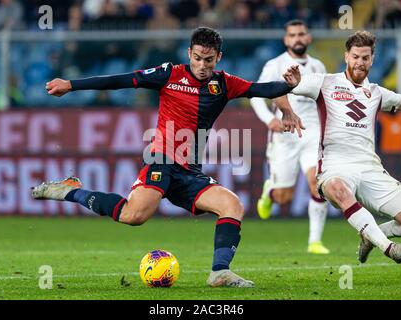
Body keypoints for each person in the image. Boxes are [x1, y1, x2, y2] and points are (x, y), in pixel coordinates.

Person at [32, 27, 304, 287]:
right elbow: (122, 80)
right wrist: (71, 85)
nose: (201, 65)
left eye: (208, 60)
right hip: (161, 159)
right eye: (197, 58)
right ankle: (71, 191)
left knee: (232, 205)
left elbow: (262, 89)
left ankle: (220, 273)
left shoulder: (224, 83)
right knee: (134, 216)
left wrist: (287, 85)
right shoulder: (168, 74)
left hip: (190, 172)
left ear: (218, 57)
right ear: (189, 53)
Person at [290, 30, 401, 264]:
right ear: (346, 56)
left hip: (370, 167)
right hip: (335, 167)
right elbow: (282, 87)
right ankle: (389, 248)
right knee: (339, 189)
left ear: (372, 60)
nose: (359, 62)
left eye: (365, 58)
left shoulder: (377, 93)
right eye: (355, 57)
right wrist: (286, 109)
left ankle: (371, 233)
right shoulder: (325, 82)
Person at [250, 19, 330, 255]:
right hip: (284, 136)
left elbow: (325, 100)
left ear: (308, 38)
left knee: (318, 184)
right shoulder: (275, 65)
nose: (297, 38)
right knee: (284, 197)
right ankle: (269, 192)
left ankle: (315, 241)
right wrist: (269, 119)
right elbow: (256, 96)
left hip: (312, 131)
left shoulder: (318, 66)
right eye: (292, 34)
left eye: (301, 34)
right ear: (286, 40)